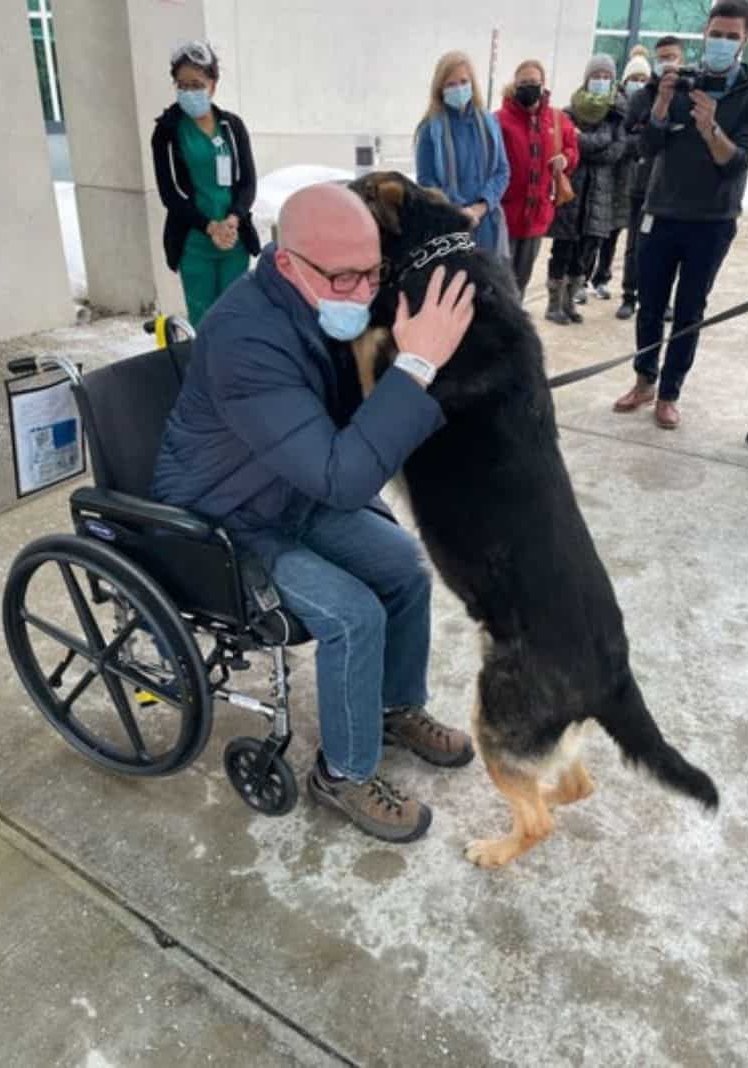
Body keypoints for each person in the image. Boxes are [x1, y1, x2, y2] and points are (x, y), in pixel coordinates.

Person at [150, 183, 479, 844]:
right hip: (225, 518)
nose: (363, 292)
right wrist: (415, 365)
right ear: (284, 262)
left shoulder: (321, 298)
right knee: (353, 613)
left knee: (405, 568)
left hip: (286, 487)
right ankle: (343, 774)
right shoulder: (246, 340)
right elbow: (341, 473)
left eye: (372, 272)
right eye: (345, 277)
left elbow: (345, 438)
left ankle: (392, 707)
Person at [613, 2, 748, 429]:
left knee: (689, 310)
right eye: (717, 34)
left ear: (744, 41)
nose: (722, 43)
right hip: (661, 211)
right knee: (649, 303)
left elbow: (737, 161)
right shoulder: (677, 82)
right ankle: (644, 380)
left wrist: (710, 127)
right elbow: (646, 147)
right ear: (704, 34)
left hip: (713, 221)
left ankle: (669, 392)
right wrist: (661, 102)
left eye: (732, 37)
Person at [149, 40, 260, 328]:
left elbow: (247, 182)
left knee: (237, 319)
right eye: (182, 85)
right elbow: (169, 194)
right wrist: (210, 227)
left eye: (196, 84)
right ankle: (208, 374)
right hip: (195, 243)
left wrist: (234, 219)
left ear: (212, 85)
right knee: (205, 323)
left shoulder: (232, 127)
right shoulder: (167, 132)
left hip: (233, 241)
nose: (189, 92)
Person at [543, 54, 628, 325]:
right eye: (596, 76)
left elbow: (615, 152)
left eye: (606, 77)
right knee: (563, 249)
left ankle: (570, 302)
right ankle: (554, 304)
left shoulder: (617, 115)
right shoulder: (568, 113)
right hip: (572, 192)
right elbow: (565, 146)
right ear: (586, 79)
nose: (601, 81)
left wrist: (583, 143)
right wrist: (591, 145)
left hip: (600, 195)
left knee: (585, 251)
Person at [415, 51, 511, 255]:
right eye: (450, 84)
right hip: (450, 226)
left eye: (463, 81)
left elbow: (502, 171)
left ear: (472, 84)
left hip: (487, 224)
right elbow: (426, 182)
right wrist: (459, 211)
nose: (458, 88)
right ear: (440, 88)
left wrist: (480, 207)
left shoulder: (489, 123)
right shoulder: (430, 130)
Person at [496, 59, 577, 300]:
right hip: (506, 216)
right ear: (514, 85)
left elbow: (573, 148)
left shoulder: (557, 119)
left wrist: (566, 158)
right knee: (501, 281)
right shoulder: (499, 120)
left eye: (534, 82)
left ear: (543, 85)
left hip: (537, 215)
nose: (529, 87)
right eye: (523, 83)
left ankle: (513, 327)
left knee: (521, 280)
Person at [590, 47, 654, 316]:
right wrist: (632, 142)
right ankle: (595, 277)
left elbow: (646, 143)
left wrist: (634, 142)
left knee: (637, 242)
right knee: (604, 233)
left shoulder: (655, 105)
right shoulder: (617, 105)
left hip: (646, 187)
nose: (638, 84)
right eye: (633, 79)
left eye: (643, 78)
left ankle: (630, 291)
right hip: (615, 181)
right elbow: (623, 140)